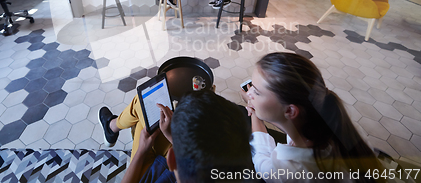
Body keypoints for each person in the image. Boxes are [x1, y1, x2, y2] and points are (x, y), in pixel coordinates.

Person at [244, 52, 386, 183]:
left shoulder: (293, 168)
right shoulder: (343, 126)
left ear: (290, 111)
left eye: (256, 91)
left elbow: (262, 163)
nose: (249, 92)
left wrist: (255, 114)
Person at [99, 90, 255, 183]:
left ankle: (111, 127)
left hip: (152, 173)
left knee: (142, 104)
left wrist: (142, 150)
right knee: (148, 112)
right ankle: (112, 126)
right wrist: (170, 135)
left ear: (172, 158)